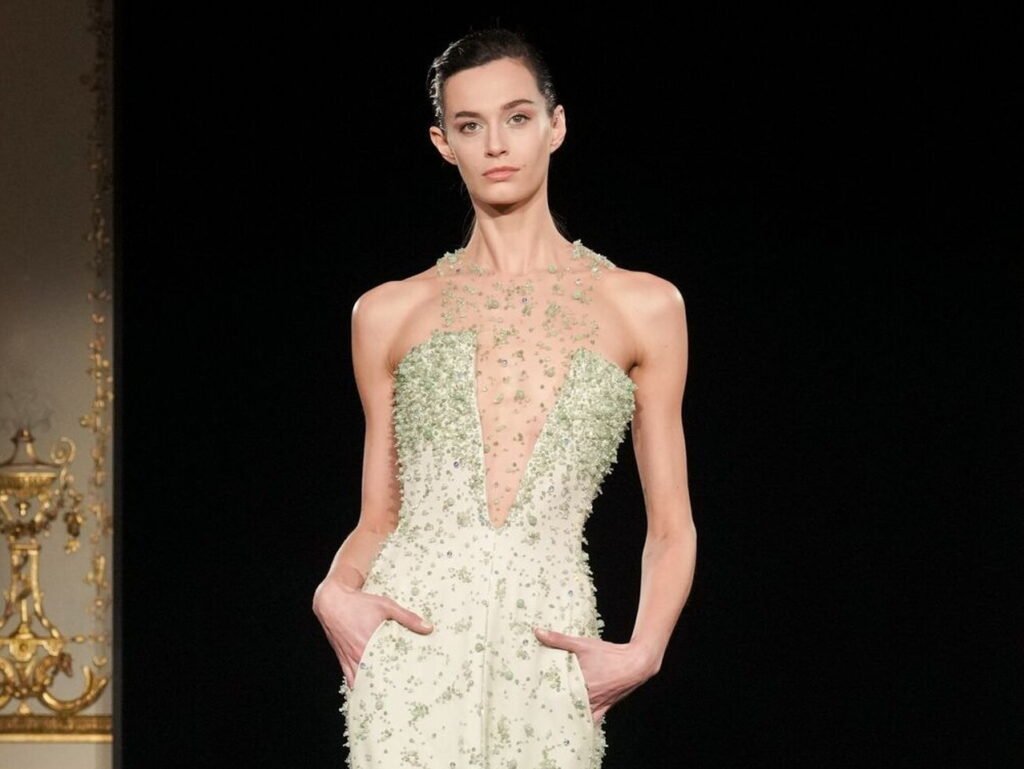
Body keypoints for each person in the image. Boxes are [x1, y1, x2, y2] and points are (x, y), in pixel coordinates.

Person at [312, 26, 697, 769]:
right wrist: (333, 592)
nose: (496, 144)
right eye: (470, 125)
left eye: (517, 117)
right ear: (442, 143)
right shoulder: (388, 313)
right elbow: (378, 518)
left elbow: (672, 526)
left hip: (547, 648)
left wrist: (644, 650)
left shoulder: (643, 307)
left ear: (556, 125)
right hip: (409, 653)